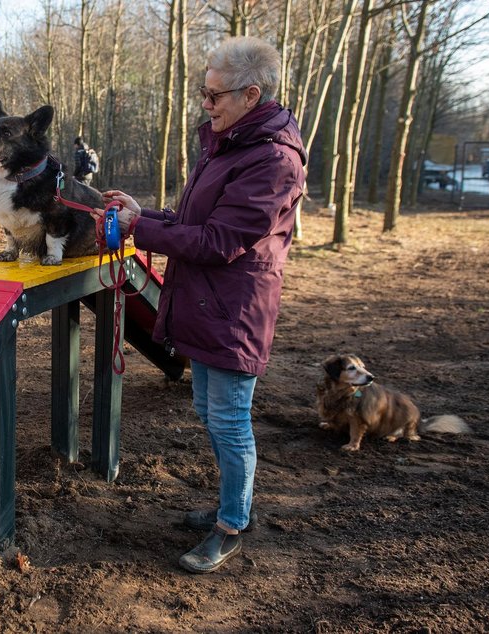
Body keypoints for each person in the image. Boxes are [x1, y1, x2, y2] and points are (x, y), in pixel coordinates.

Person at [103, 36, 307, 574]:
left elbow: (220, 241)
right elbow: (197, 222)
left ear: (251, 94)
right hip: (204, 301)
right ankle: (230, 503)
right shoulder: (229, 144)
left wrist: (138, 229)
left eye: (214, 95)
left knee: (231, 422)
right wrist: (144, 214)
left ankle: (232, 524)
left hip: (234, 310)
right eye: (203, 92)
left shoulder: (273, 161)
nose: (205, 104)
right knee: (208, 412)